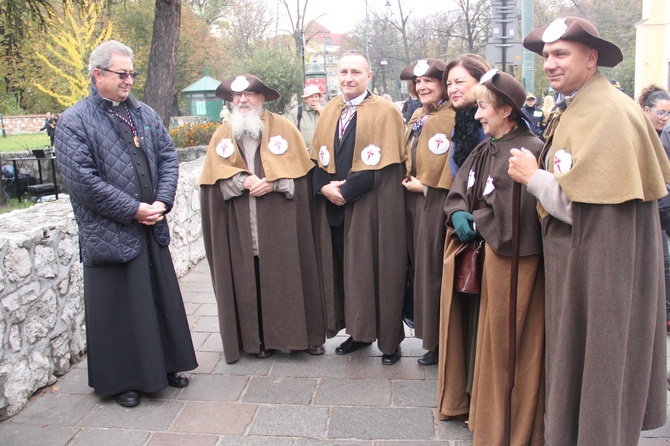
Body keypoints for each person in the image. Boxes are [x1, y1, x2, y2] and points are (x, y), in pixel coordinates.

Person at [509, 17, 670, 445]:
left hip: (601, 269)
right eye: (547, 57)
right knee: (585, 363)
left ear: (592, 58)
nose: (550, 65)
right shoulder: (583, 105)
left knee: (600, 364)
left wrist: (533, 177)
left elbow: (587, 208)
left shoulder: (607, 113)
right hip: (586, 264)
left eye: (561, 54)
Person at [54, 40, 198, 408]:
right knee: (120, 309)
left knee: (156, 300)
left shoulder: (145, 114)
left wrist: (161, 202)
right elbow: (82, 181)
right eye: (121, 73)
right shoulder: (74, 121)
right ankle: (123, 381)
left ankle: (165, 366)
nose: (129, 80)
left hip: (150, 225)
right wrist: (133, 208)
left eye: (132, 73)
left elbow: (167, 156)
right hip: (110, 232)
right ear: (97, 74)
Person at [444, 69, 545, 444]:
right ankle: (479, 412)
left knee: (507, 345)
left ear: (505, 110)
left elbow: (521, 216)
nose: (476, 115)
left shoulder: (530, 149)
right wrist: (457, 211)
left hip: (515, 264)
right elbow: (460, 189)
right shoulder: (486, 147)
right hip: (487, 259)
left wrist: (480, 217)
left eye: (483, 107)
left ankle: (505, 428)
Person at [199, 74, 325, 364]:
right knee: (250, 281)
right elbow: (213, 185)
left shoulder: (285, 129)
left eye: (249, 95)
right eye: (237, 96)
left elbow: (301, 179)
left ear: (262, 98)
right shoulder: (222, 135)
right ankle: (258, 340)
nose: (243, 100)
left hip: (280, 223)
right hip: (242, 226)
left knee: (288, 277)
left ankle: (299, 338)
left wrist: (275, 182)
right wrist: (241, 180)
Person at [311, 50, 407, 365]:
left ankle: (390, 342)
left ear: (369, 76)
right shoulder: (328, 111)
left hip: (370, 207)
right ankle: (359, 332)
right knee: (348, 275)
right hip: (336, 209)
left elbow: (386, 163)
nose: (349, 78)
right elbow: (318, 157)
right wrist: (323, 187)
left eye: (356, 72)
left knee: (377, 272)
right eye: (343, 72)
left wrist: (347, 192)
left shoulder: (386, 110)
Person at [437, 52, 490, 422]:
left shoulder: (496, 125)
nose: (453, 88)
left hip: (489, 233)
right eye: (450, 82)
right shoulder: (461, 123)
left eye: (461, 81)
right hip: (464, 231)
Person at [398, 58, 455, 366]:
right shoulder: (419, 115)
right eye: (418, 82)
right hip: (413, 202)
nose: (421, 86)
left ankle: (439, 341)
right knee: (419, 268)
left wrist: (428, 187)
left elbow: (453, 167)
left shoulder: (451, 117)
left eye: (429, 81)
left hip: (434, 203)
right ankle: (427, 332)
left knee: (434, 270)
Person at [639, 85, 670, 333]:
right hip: (649, 209)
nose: (665, 118)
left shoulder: (666, 136)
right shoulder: (641, 134)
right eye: (661, 113)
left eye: (669, 113)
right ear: (646, 110)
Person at [285, 85, 324, 152]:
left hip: (322, 157)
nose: (314, 99)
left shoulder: (325, 112)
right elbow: (289, 135)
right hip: (304, 157)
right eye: (311, 97)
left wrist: (322, 112)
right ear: (305, 99)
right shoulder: (296, 113)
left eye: (316, 96)